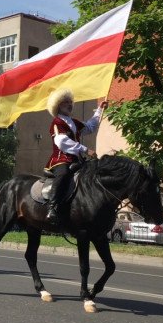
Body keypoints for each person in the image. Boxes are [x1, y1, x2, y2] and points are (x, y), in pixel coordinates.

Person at [44, 89, 108, 225]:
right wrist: (85, 149)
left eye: (70, 102)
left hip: (76, 159)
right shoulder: (57, 122)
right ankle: (52, 208)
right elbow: (61, 142)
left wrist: (99, 110)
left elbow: (90, 127)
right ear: (58, 106)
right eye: (65, 102)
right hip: (60, 160)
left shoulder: (72, 122)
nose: (69, 104)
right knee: (63, 174)